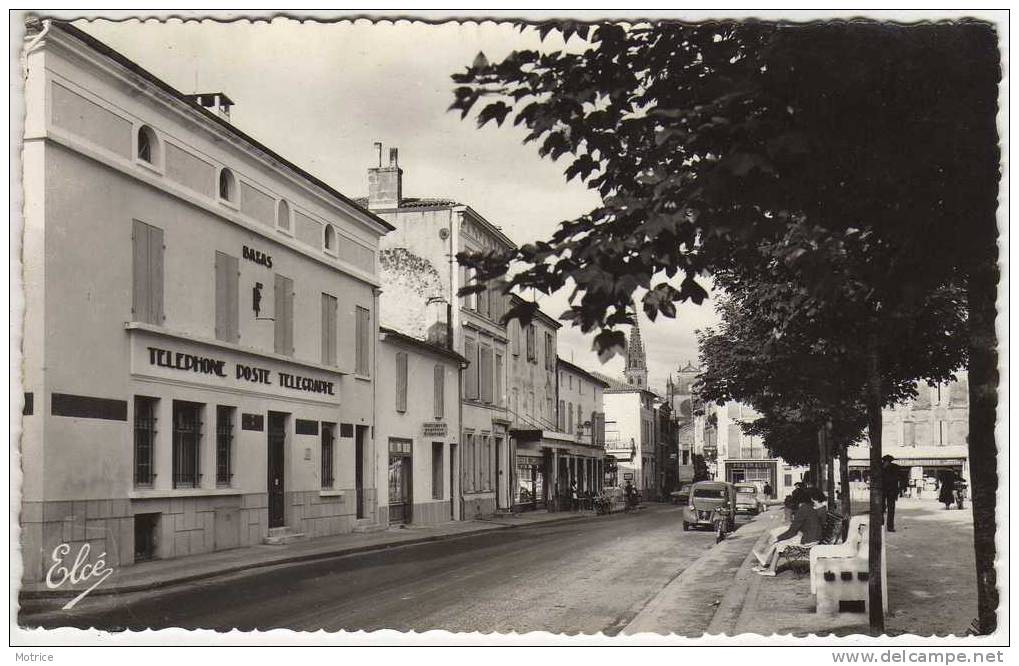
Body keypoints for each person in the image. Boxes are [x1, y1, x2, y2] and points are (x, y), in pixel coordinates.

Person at [753, 488, 827, 576]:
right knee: (778, 538)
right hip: (813, 537)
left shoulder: (803, 509)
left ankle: (770, 569)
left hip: (809, 540)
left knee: (779, 543)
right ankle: (765, 563)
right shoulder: (808, 508)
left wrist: (779, 538)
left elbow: (792, 531)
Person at [881, 455, 902, 531]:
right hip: (883, 491)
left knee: (891, 510)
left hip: (891, 491)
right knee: (882, 508)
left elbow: (899, 479)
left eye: (888, 461)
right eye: (886, 461)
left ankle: (890, 526)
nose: (887, 463)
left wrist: (898, 490)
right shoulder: (880, 468)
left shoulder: (895, 468)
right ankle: (882, 525)